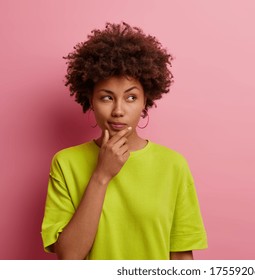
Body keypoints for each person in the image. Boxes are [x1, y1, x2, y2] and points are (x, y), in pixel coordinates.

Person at [41, 22, 207, 260]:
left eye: (131, 97)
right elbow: (69, 257)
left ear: (145, 101)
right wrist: (101, 175)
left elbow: (181, 259)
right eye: (107, 97)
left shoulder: (173, 165)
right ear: (90, 99)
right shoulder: (66, 163)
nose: (118, 110)